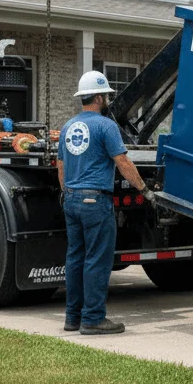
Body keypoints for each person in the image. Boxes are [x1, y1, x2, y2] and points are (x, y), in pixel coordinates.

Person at [57, 70, 155, 335]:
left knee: (75, 258)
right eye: (107, 95)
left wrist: (66, 192)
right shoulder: (106, 126)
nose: (108, 99)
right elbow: (122, 162)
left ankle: (72, 318)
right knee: (97, 261)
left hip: (72, 199)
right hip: (95, 202)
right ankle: (93, 319)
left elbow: (61, 165)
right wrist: (144, 189)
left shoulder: (68, 127)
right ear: (99, 97)